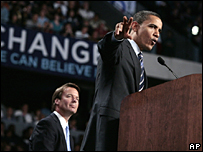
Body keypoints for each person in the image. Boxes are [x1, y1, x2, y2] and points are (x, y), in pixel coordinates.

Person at [80, 10, 163, 151]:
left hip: (129, 130)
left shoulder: (139, 62)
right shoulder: (120, 47)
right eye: (152, 27)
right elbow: (105, 48)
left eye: (159, 30)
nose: (157, 34)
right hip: (110, 126)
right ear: (135, 26)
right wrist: (116, 38)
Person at [29, 82, 80, 151]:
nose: (74, 100)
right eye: (69, 96)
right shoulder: (47, 124)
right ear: (57, 101)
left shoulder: (68, 135)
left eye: (77, 98)